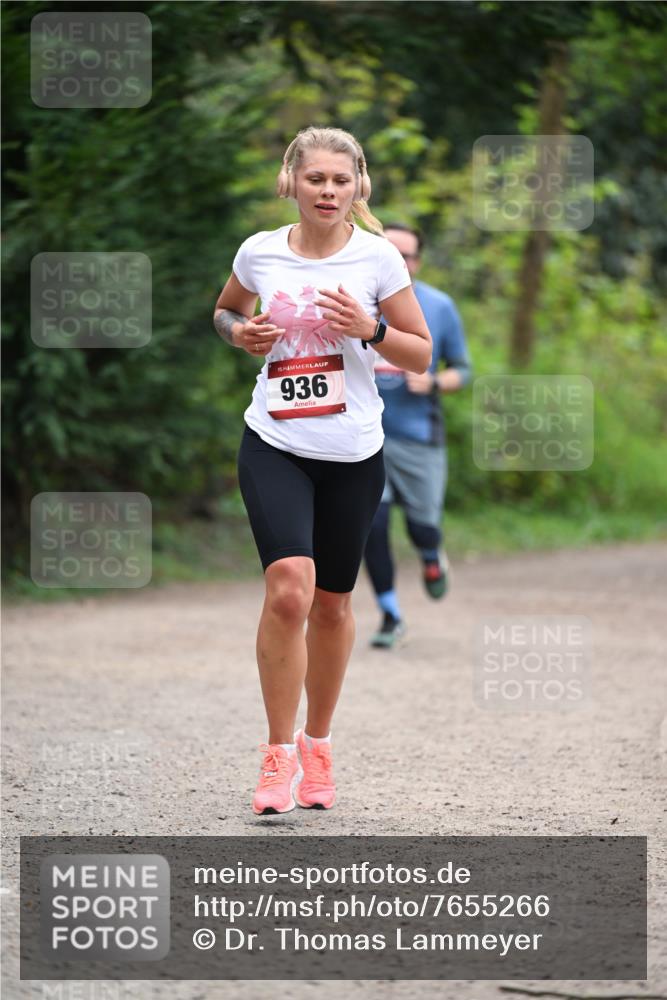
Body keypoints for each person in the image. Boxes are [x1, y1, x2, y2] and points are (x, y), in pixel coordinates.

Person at [213, 128, 431, 815]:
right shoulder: (259, 251)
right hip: (274, 440)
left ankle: (318, 745)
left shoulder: (377, 261)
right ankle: (277, 756)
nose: (328, 191)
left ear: (357, 186)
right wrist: (237, 332)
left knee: (333, 604)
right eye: (315, 179)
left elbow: (419, 353)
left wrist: (367, 330)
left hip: (351, 451)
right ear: (291, 183)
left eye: (341, 180)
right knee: (288, 589)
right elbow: (224, 312)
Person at [364, 223, 472, 649]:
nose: (399, 261)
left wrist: (434, 383)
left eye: (407, 256)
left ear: (418, 262)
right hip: (365, 439)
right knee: (372, 526)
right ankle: (390, 613)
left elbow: (463, 369)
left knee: (422, 525)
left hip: (419, 437)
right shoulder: (356, 299)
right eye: (390, 251)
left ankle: (431, 554)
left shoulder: (439, 306)